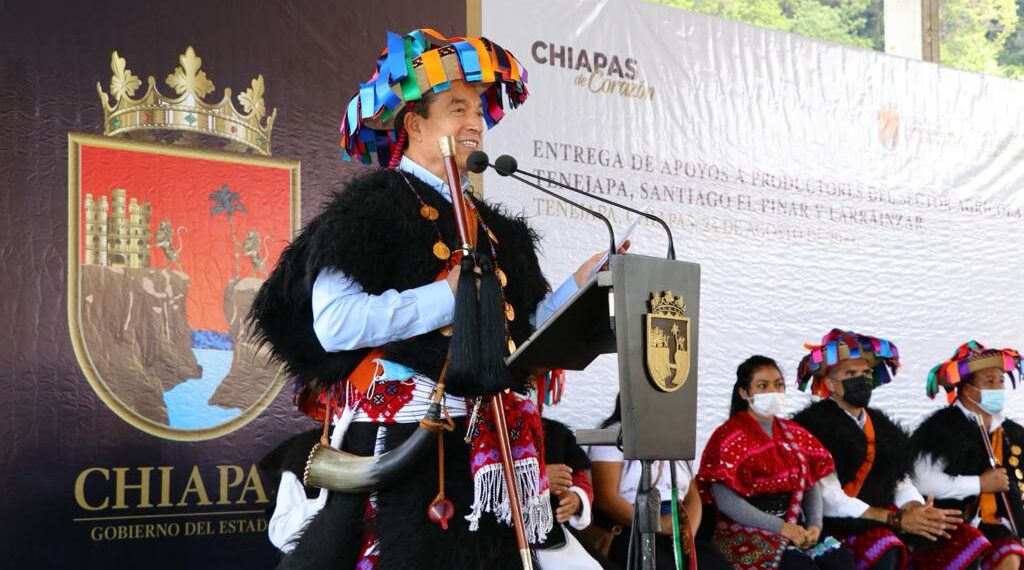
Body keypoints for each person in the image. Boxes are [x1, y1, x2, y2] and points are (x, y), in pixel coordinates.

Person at [249, 29, 616, 569]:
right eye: (457, 108)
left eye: (480, 112)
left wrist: (577, 290)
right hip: (406, 440)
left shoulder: (496, 231)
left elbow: (521, 333)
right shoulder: (369, 210)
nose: (476, 123)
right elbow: (335, 324)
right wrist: (447, 298)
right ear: (415, 123)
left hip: (492, 445)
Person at [792, 329, 984, 570]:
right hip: (837, 524)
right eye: (851, 373)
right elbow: (830, 499)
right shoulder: (813, 425)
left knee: (963, 538)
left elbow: (900, 479)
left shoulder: (881, 424)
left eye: (866, 373)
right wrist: (896, 519)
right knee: (886, 547)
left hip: (886, 518)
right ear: (830, 383)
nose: (861, 379)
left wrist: (915, 508)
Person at [697, 355, 855, 569]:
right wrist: (781, 527)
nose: (772, 391)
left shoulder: (795, 433)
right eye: (762, 386)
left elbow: (810, 482)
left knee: (840, 560)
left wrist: (815, 525)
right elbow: (727, 501)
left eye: (778, 385)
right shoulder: (727, 438)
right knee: (799, 566)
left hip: (794, 526)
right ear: (744, 393)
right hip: (743, 530)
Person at [912, 341, 1024, 570]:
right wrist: (979, 484)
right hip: (949, 527)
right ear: (966, 388)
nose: (997, 387)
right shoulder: (941, 429)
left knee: (1010, 554)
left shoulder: (1013, 433)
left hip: (1002, 526)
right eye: (989, 381)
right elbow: (922, 481)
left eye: (1000, 381)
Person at [589, 395, 731, 569]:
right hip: (630, 528)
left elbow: (692, 494)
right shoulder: (611, 436)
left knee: (715, 563)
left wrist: (689, 529)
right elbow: (606, 498)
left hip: (672, 529)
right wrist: (659, 524)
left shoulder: (674, 440)